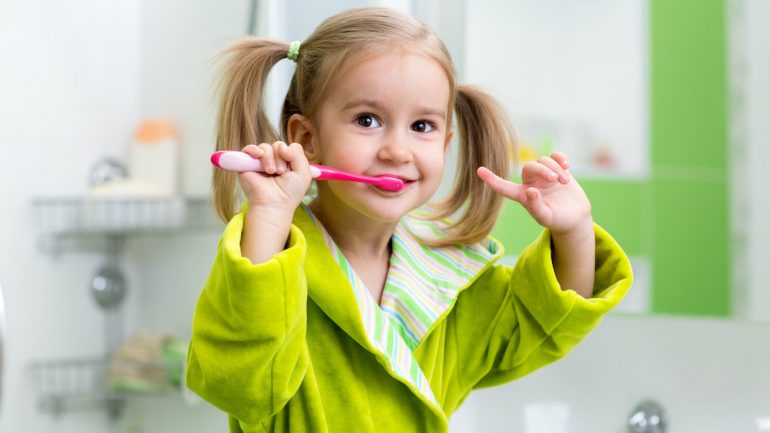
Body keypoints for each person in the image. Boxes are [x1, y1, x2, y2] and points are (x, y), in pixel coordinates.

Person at [186, 6, 632, 433]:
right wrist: (268, 214)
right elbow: (238, 383)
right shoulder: (272, 256)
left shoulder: (449, 275)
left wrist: (572, 229)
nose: (398, 151)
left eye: (422, 126)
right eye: (367, 120)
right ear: (307, 138)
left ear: (445, 143)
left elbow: (541, 322)